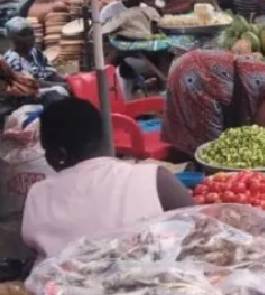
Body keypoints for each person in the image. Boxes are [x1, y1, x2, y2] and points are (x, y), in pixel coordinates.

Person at [22, 98, 194, 260]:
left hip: (64, 289)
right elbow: (200, 228)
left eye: (46, 151)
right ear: (104, 137)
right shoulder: (156, 178)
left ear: (59, 154)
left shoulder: (38, 195)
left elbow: (34, 246)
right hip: (152, 285)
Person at [162, 50, 265, 155]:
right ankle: (198, 170)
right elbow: (260, 125)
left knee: (187, 120)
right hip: (197, 75)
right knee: (212, 147)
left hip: (184, 64)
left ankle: (182, 161)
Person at [2, 17, 59, 82]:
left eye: (31, 33)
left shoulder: (36, 53)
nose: (30, 37)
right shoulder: (11, 59)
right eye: (23, 34)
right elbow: (25, 83)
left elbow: (51, 72)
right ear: (12, 38)